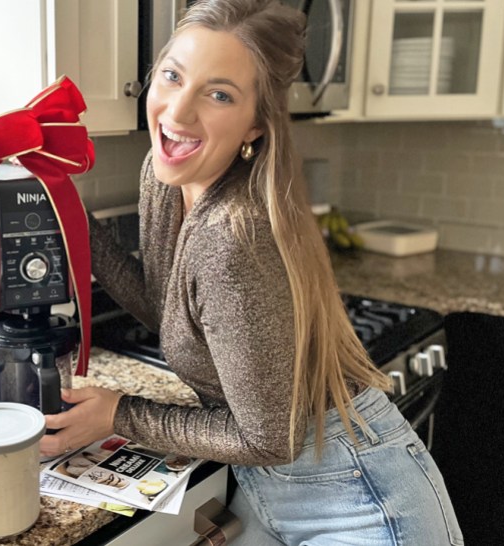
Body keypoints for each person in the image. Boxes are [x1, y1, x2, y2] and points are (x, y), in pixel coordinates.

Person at [39, 0, 463, 543]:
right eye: (172, 76)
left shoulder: (232, 234)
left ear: (256, 125)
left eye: (219, 95)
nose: (178, 111)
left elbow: (269, 438)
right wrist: (67, 209)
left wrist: (121, 414)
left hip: (359, 500)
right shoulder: (165, 176)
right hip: (277, 486)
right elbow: (171, 311)